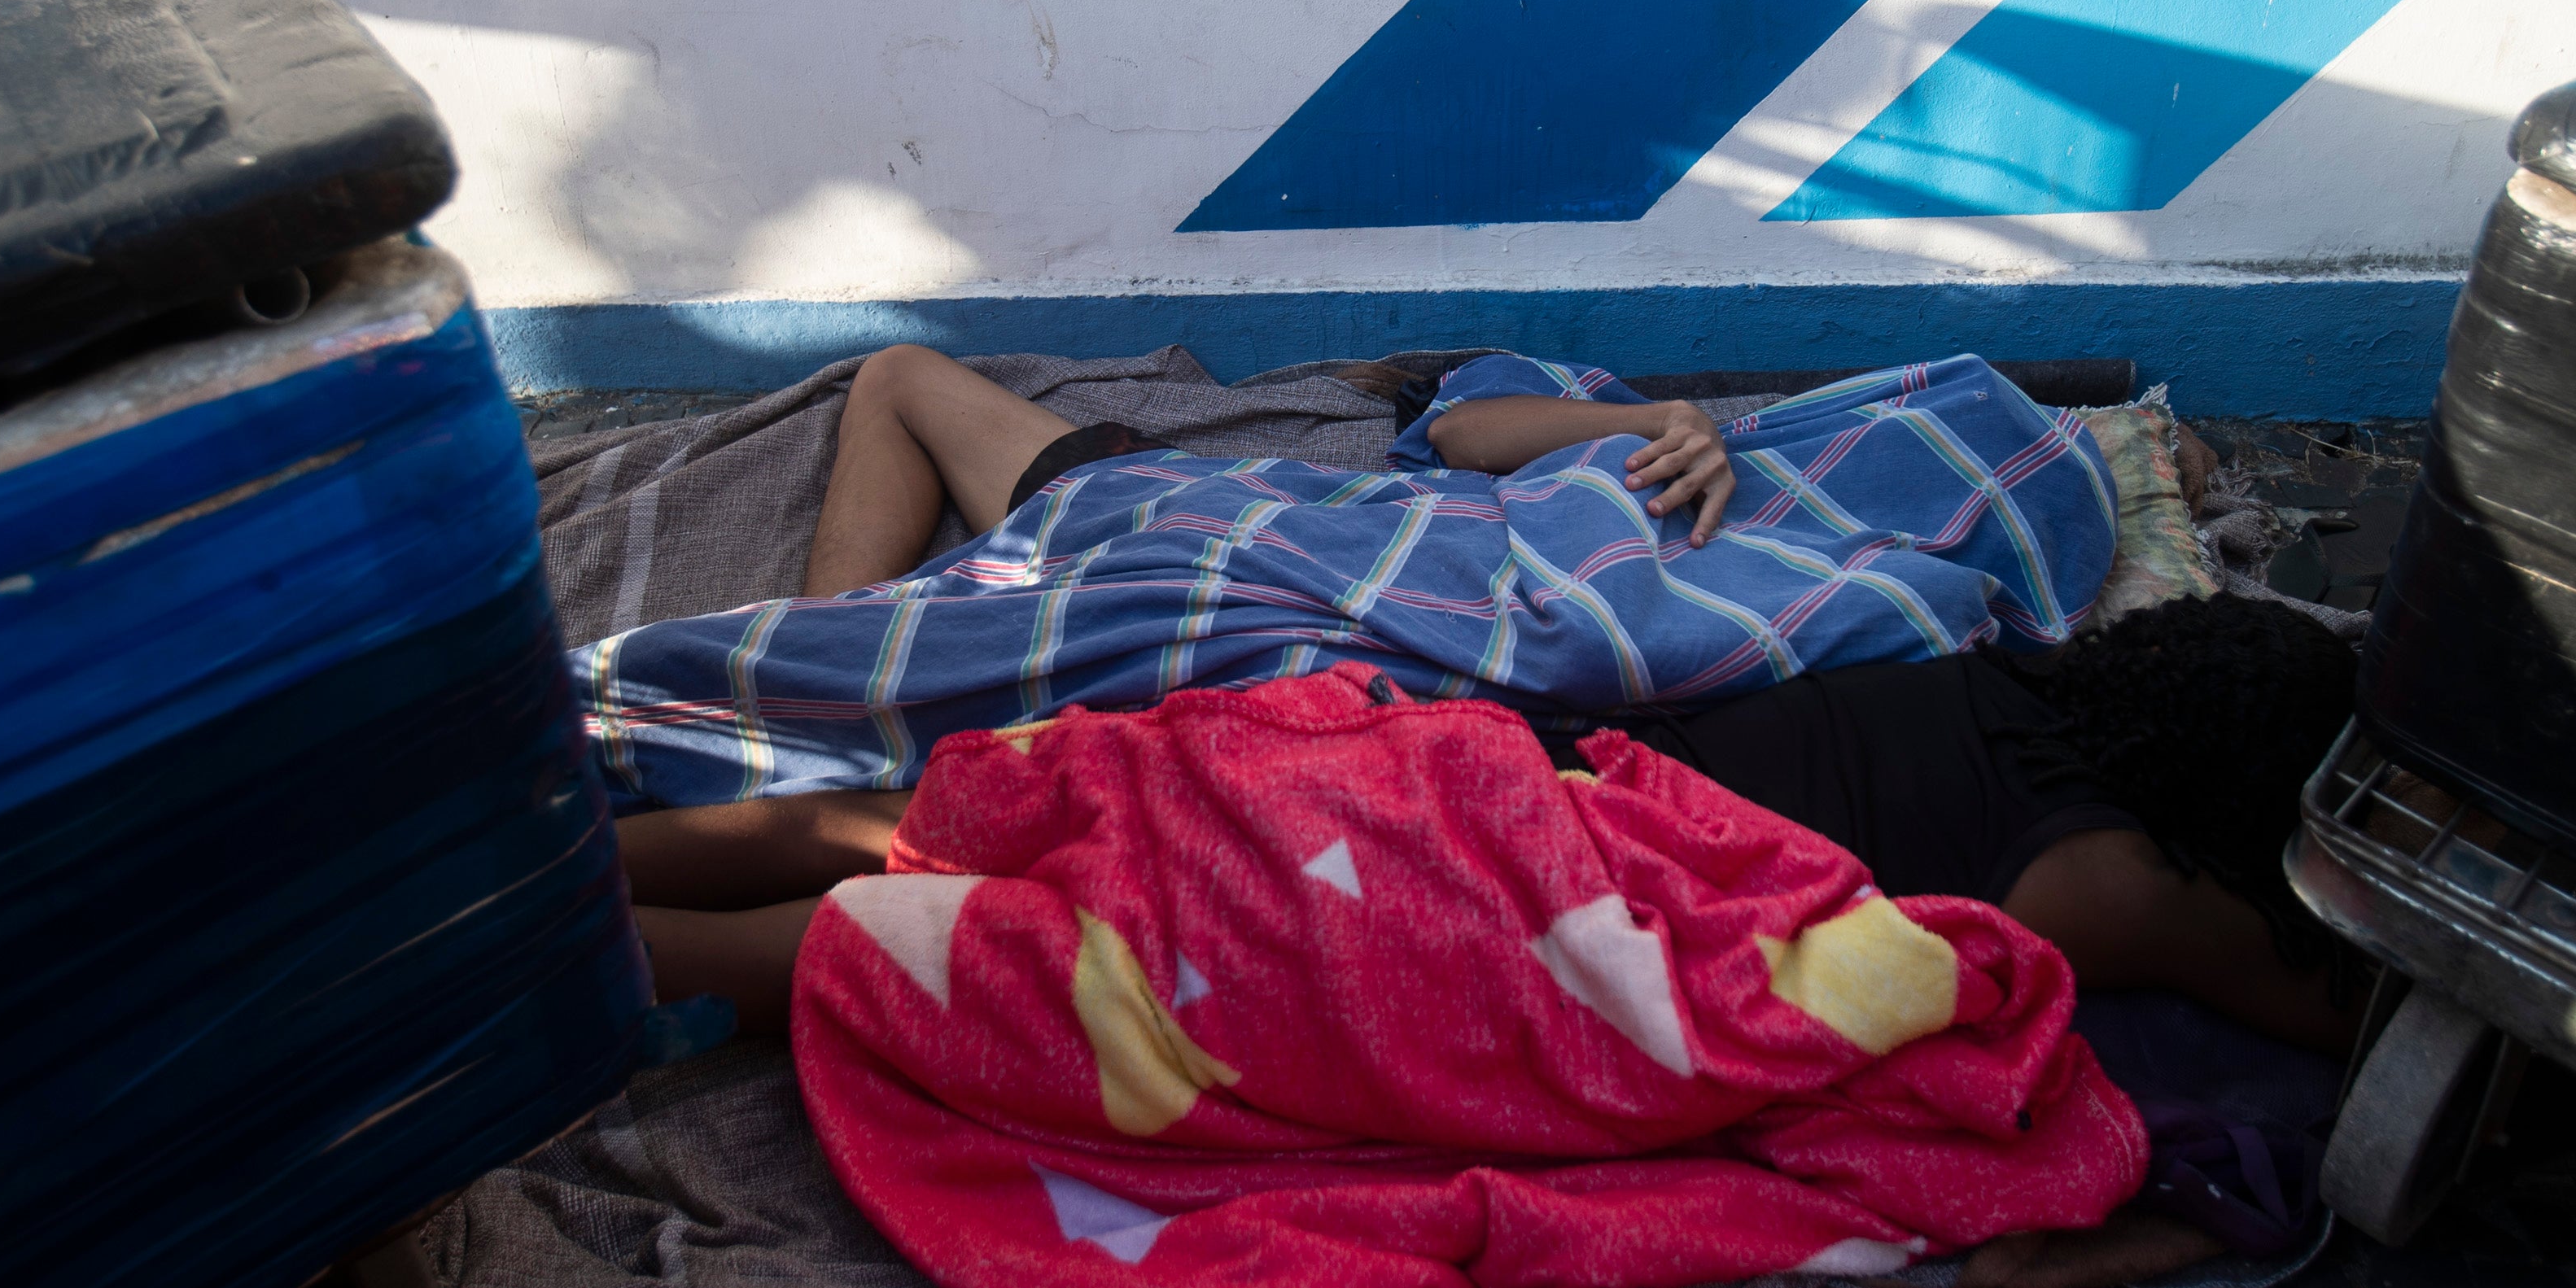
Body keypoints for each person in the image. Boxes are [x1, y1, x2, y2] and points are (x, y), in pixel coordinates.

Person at [616, 592, 2362, 1059]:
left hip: (1462, 764)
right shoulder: (2117, 879)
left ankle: (560, 867)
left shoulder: (1980, 664)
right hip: (1512, 898)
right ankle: (500, 982)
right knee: (999, 953)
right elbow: (2330, 1009)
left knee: (922, 829)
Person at [577, 343, 2119, 809]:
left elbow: (1613, 644)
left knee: (991, 675)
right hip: (1258, 509)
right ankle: (838, 640)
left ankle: (672, 706)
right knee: (907, 387)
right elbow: (1464, 427)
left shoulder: (1874, 603)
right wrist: (1659, 419)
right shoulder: (1675, 437)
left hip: (1287, 621)